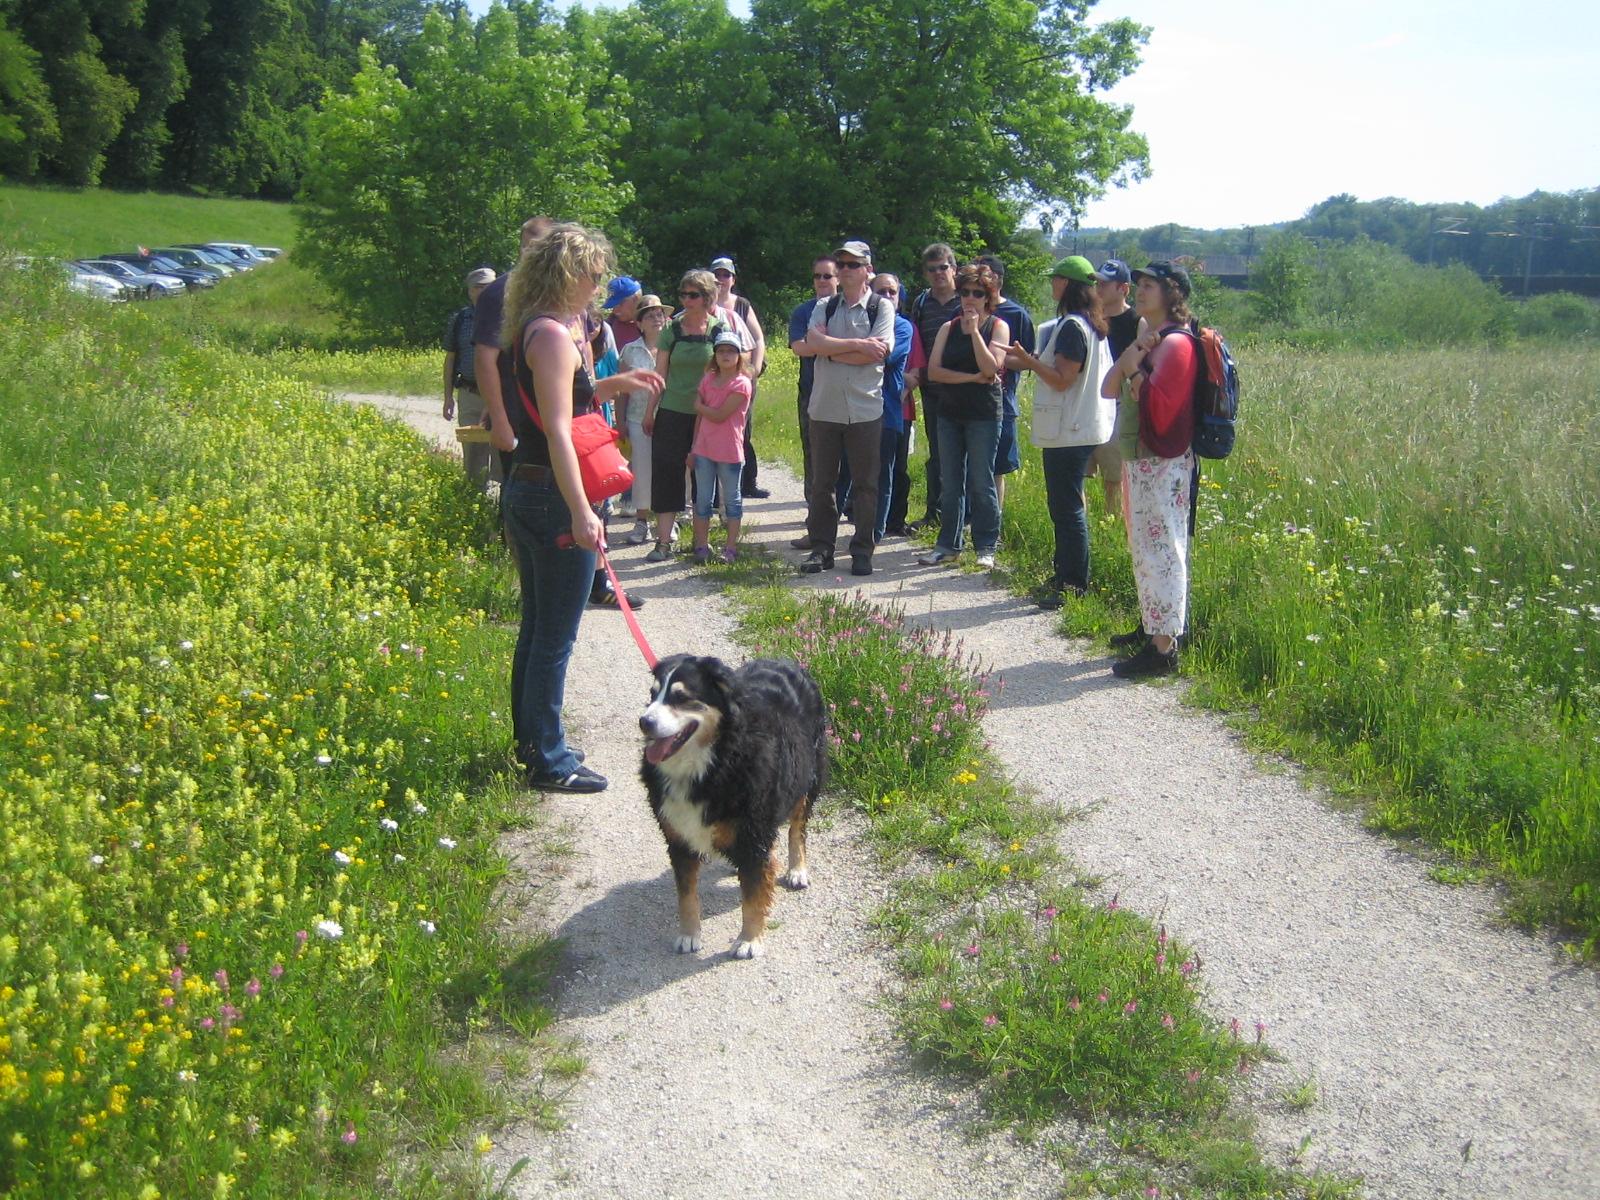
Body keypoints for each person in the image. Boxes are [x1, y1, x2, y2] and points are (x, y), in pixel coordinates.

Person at [494, 222, 664, 792]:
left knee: (539, 629)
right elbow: (560, 432)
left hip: (533, 488)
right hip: (549, 495)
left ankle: (534, 740)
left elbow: (565, 401)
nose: (598, 286)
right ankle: (547, 759)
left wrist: (616, 382)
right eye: (592, 276)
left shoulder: (541, 330)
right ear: (567, 274)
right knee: (554, 636)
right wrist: (581, 510)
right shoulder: (549, 337)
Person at [1100, 261, 1200, 680]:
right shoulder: (1149, 338)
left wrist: (1134, 364)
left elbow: (1161, 406)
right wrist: (1134, 355)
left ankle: (1164, 649)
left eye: (1149, 285)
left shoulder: (1177, 345)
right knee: (1146, 550)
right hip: (1143, 458)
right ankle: (1154, 628)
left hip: (1164, 460)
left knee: (1163, 551)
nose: (1140, 291)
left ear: (1172, 293)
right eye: (1138, 284)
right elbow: (1109, 388)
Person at [1008, 256, 1112, 608]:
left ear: (1067, 284)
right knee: (1067, 507)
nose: (1052, 285)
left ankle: (1072, 583)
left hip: (1069, 430)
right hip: (1082, 427)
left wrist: (1029, 361)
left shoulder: (1071, 327)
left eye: (1056, 279)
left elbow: (1062, 379)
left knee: (1067, 509)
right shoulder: (1091, 325)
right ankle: (1064, 574)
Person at [801, 240, 893, 577]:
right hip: (824, 408)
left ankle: (862, 550)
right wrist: (856, 345)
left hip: (865, 408)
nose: (845, 270)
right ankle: (822, 548)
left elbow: (878, 352)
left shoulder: (881, 308)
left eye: (853, 264)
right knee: (822, 484)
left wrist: (830, 349)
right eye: (841, 264)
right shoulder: (824, 305)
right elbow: (813, 343)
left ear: (868, 270)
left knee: (866, 484)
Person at [917, 262, 1009, 570]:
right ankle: (948, 545)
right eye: (965, 292)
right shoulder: (947, 327)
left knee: (981, 480)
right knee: (951, 480)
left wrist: (974, 336)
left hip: (983, 414)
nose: (970, 299)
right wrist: (970, 379)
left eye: (977, 293)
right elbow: (934, 372)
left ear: (988, 297)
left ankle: (986, 546)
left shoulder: (997, 327)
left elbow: (990, 368)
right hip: (950, 412)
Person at [643, 269, 736, 562]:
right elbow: (660, 373)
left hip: (706, 415)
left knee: (704, 477)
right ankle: (663, 541)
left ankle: (701, 542)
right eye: (683, 294)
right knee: (666, 473)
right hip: (672, 410)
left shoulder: (719, 330)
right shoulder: (673, 330)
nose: (687, 300)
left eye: (693, 295)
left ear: (707, 297)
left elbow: (730, 372)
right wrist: (650, 411)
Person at [904, 243, 962, 532]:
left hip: (964, 391)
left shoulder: (967, 299)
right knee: (939, 455)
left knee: (966, 457)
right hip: (933, 391)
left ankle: (964, 520)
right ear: (925, 274)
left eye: (944, 266)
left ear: (954, 268)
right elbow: (915, 344)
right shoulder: (921, 303)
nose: (939, 273)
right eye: (933, 269)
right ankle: (935, 515)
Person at [974, 254, 1036, 520]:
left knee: (996, 469)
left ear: (997, 279)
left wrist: (994, 357)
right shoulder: (966, 308)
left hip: (1002, 402)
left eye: (984, 275)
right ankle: (966, 524)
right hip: (966, 399)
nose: (978, 281)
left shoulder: (1016, 314)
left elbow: (1029, 360)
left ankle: (993, 525)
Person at [690, 328, 754, 564]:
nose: (725, 355)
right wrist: (694, 446)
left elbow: (719, 415)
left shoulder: (742, 383)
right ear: (715, 355)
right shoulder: (708, 379)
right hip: (705, 448)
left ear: (739, 355)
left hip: (729, 449)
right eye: (721, 351)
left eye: (731, 351)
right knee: (703, 498)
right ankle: (701, 544)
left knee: (732, 499)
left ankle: (730, 547)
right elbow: (702, 418)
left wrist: (699, 406)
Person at [710, 256, 770, 499]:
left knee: (742, 428)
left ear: (733, 279)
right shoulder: (703, 305)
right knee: (711, 426)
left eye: (726, 275)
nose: (721, 280)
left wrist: (754, 369)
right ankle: (714, 491)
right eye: (717, 275)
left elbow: (757, 338)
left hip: (741, 377)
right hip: (714, 377)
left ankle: (747, 482)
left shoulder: (742, 305)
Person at [1085, 257, 1140, 525]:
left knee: (1113, 475)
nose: (1099, 288)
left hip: (1118, 406)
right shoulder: (1089, 319)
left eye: (1106, 284)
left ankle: (1112, 523)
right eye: (1097, 283)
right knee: (1080, 472)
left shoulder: (1136, 322)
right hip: (1085, 403)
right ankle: (1080, 530)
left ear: (1124, 289)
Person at [788, 255, 838, 547]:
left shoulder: (848, 309)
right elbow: (798, 348)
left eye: (827, 276)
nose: (822, 281)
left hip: (845, 392)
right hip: (811, 393)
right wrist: (837, 346)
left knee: (850, 464)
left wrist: (820, 343)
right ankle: (816, 528)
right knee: (815, 462)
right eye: (818, 276)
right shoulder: (803, 311)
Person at [617, 293, 669, 545]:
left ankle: (668, 521)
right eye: (650, 315)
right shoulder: (629, 351)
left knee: (668, 469)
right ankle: (641, 522)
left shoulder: (673, 347)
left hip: (669, 416)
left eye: (660, 314)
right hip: (637, 417)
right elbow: (621, 389)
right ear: (639, 323)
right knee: (641, 469)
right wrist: (620, 422)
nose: (657, 318)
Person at [868, 272, 913, 543]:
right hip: (853, 410)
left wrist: (847, 350)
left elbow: (885, 357)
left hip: (888, 413)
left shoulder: (903, 327)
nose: (886, 297)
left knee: (882, 475)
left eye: (891, 292)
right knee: (855, 476)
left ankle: (874, 533)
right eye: (880, 292)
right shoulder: (859, 320)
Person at [443, 267, 496, 485]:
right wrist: (447, 397)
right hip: (469, 392)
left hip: (500, 394)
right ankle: (477, 503)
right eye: (478, 287)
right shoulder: (460, 320)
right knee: (472, 454)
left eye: (488, 287)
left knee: (503, 453)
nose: (483, 291)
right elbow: (450, 360)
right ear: (470, 291)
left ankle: (504, 509)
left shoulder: (506, 317)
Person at [605, 276, 643, 350]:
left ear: (636, 299)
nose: (615, 310)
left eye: (619, 304)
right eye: (612, 305)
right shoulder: (608, 325)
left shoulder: (657, 323)